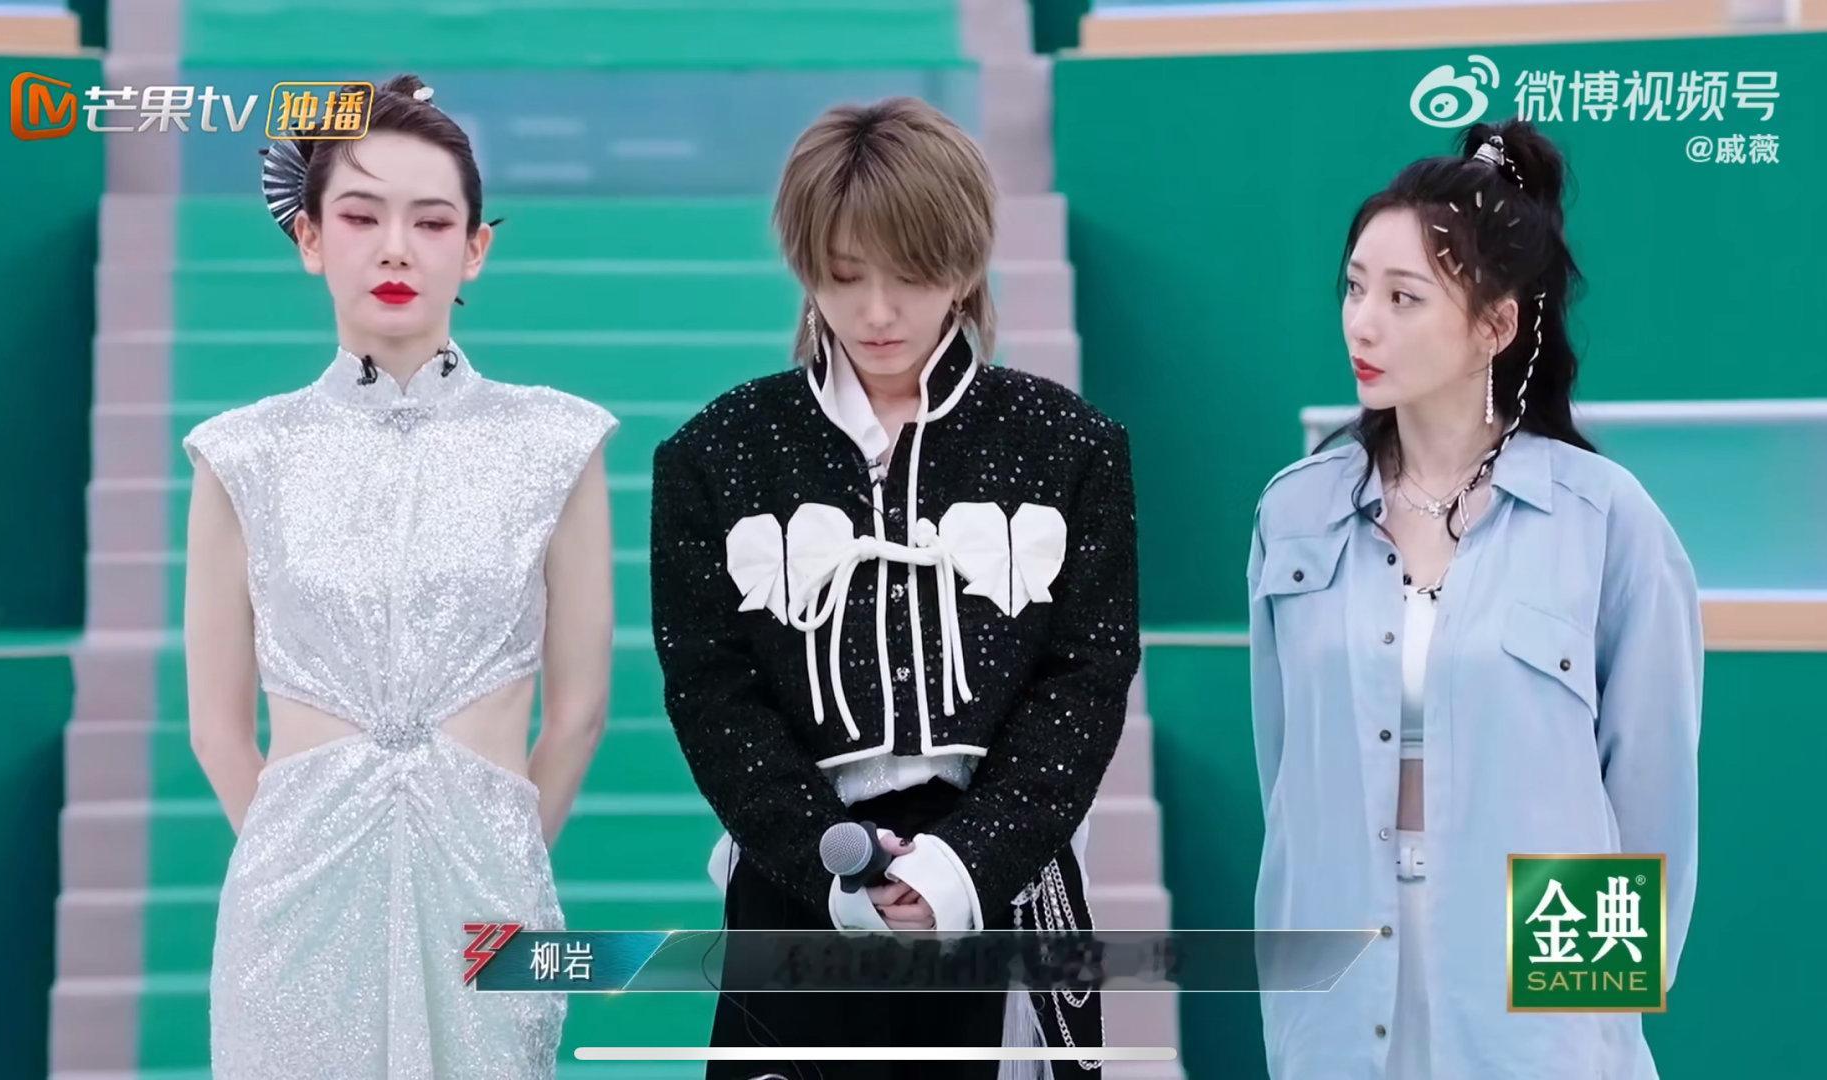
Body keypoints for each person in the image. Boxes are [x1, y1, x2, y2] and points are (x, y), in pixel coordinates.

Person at [648, 97, 1137, 1080]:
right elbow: (712, 692)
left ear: (965, 264)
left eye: (911, 276)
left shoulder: (1070, 445)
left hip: (1002, 885)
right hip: (801, 887)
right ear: (805, 266)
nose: (876, 312)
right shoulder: (716, 452)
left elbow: (1084, 682)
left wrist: (967, 861)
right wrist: (823, 853)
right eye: (843, 275)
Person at [182, 74, 616, 1078]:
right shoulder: (242, 454)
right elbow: (216, 726)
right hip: (291, 904)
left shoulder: (556, 441)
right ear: (308, 237)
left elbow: (580, 713)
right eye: (359, 216)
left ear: (475, 248)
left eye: (430, 221)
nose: (394, 248)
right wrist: (294, 856)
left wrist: (503, 848)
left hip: (490, 884)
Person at [1247, 119, 1701, 1079]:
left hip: (1526, 989)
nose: (1361, 323)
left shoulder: (1602, 519)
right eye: (1354, 288)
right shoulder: (1294, 513)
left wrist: (1581, 1023)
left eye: (1402, 297)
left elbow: (1646, 801)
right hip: (1338, 979)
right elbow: (1284, 779)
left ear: (1494, 326)